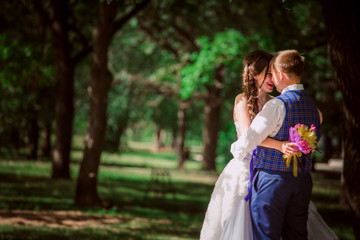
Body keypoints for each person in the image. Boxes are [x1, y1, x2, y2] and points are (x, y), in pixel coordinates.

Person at [200, 50, 339, 240]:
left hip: (271, 171)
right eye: (267, 73)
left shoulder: (276, 102)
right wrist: (280, 145)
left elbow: (312, 116)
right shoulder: (242, 101)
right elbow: (249, 138)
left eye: (272, 72)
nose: (271, 78)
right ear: (254, 74)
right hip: (246, 168)